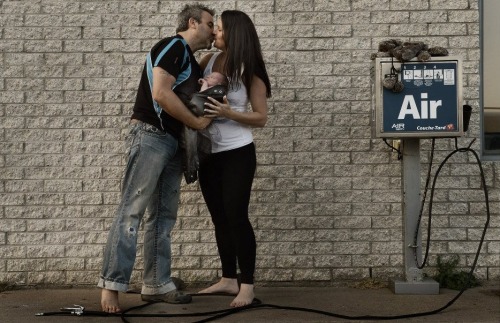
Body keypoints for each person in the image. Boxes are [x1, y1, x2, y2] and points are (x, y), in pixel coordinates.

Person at [98, 3, 216, 313]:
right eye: (209, 23)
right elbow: (161, 93)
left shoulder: (189, 59)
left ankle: (157, 283)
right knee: (132, 211)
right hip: (151, 137)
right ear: (192, 22)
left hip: (172, 143)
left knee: (163, 217)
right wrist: (198, 123)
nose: (213, 30)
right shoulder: (172, 46)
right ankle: (112, 285)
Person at [196, 10, 272, 308]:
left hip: (238, 153)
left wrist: (228, 112)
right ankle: (228, 279)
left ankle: (247, 284)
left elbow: (261, 117)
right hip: (209, 153)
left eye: (220, 29)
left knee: (236, 216)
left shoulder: (249, 70)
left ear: (235, 34)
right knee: (219, 217)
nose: (214, 32)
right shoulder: (208, 60)